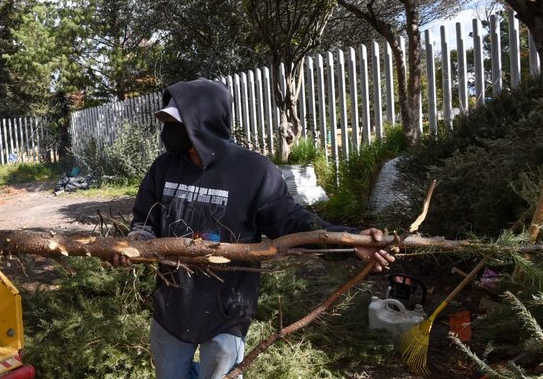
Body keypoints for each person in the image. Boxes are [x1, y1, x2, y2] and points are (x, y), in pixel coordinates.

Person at [114, 78, 395, 379]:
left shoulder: (254, 171)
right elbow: (144, 220)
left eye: (177, 122)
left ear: (204, 122)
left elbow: (293, 223)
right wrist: (135, 244)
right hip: (172, 304)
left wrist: (348, 241)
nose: (169, 131)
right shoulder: (164, 168)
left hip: (227, 308)